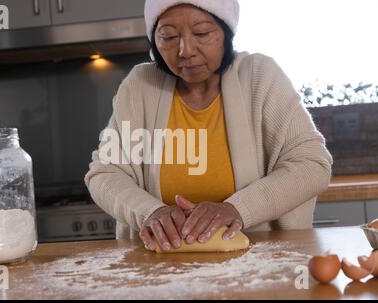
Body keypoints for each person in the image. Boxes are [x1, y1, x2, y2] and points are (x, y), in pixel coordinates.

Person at [84, 0, 333, 252]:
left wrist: (236, 209)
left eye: (202, 33)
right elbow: (105, 173)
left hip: (262, 265)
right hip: (159, 272)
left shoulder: (259, 76)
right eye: (168, 36)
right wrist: (150, 212)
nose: (185, 50)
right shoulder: (140, 86)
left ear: (226, 32)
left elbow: (312, 165)